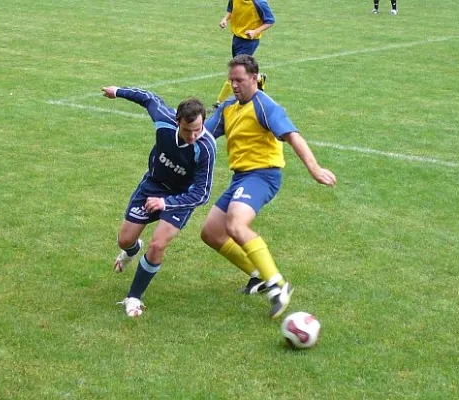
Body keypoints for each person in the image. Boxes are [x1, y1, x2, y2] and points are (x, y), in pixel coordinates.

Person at [201, 54, 337, 319]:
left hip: (262, 175)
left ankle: (277, 284)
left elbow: (293, 136)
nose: (235, 85)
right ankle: (258, 276)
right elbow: (204, 135)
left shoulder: (265, 106)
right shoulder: (229, 107)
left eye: (239, 80)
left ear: (254, 78)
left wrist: (315, 169)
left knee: (236, 225)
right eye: (231, 81)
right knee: (211, 233)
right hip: (241, 178)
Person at [101, 86, 217, 318]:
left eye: (198, 129)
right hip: (152, 186)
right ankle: (132, 251)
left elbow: (202, 194)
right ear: (177, 121)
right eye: (187, 130)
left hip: (181, 198)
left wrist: (166, 204)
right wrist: (119, 92)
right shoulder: (164, 120)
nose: (193, 136)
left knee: (157, 244)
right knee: (125, 240)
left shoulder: (205, 148)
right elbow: (148, 98)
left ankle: (133, 297)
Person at [212, 0, 275, 111]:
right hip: (236, 38)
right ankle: (259, 78)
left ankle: (219, 103)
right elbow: (231, 9)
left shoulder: (259, 3)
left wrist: (255, 31)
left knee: (235, 70)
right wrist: (225, 19)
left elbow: (270, 20)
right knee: (240, 68)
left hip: (249, 41)